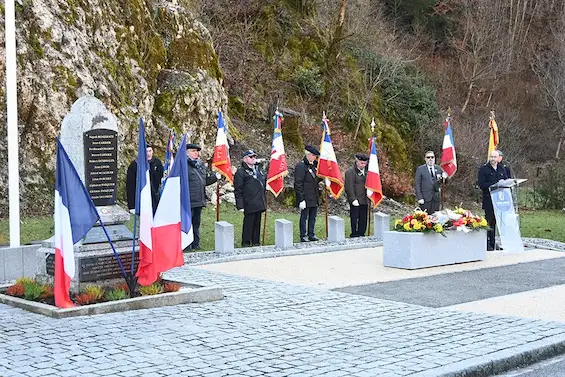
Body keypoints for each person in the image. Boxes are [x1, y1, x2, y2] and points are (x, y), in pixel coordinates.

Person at [186, 143, 218, 250]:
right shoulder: (183, 165)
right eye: (193, 151)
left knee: (196, 223)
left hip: (199, 199)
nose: (196, 153)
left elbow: (203, 181)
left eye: (197, 151)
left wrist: (215, 177)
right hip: (188, 200)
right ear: (187, 152)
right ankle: (187, 244)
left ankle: (196, 243)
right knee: (187, 224)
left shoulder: (200, 165)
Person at [478, 150, 509, 251]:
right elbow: (481, 184)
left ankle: (493, 242)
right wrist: (493, 185)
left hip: (500, 200)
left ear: (498, 158)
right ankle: (487, 243)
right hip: (489, 200)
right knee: (489, 223)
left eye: (494, 157)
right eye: (491, 157)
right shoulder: (484, 169)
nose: (493, 159)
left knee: (496, 223)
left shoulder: (501, 168)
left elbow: (505, 180)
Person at [234, 150, 266, 247]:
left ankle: (256, 242)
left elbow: (263, 181)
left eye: (254, 157)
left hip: (259, 201)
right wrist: (240, 205)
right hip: (249, 202)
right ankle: (246, 242)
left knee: (257, 224)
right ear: (245, 159)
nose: (253, 159)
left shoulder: (258, 170)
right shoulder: (241, 172)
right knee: (249, 224)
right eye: (251, 157)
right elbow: (238, 190)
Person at [126, 142, 164, 215]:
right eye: (146, 152)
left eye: (150, 151)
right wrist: (132, 206)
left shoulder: (157, 163)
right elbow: (130, 186)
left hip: (154, 198)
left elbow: (161, 180)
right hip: (142, 198)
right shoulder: (135, 165)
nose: (148, 154)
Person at [294, 145, 321, 242]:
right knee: (304, 217)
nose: (315, 158)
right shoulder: (301, 166)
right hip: (305, 197)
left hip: (314, 196)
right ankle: (303, 235)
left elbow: (316, 179)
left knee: (313, 217)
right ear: (308, 155)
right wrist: (301, 199)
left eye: (316, 156)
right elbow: (298, 183)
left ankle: (311, 234)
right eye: (313, 156)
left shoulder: (315, 166)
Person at [345, 153, 369, 237]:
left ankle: (362, 232)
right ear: (357, 161)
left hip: (365, 199)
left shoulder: (368, 172)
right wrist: (352, 198)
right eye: (361, 163)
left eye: (365, 163)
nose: (363, 165)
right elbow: (349, 186)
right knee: (355, 218)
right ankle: (354, 233)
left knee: (363, 218)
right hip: (356, 199)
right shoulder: (350, 172)